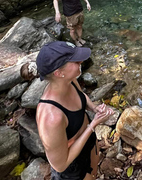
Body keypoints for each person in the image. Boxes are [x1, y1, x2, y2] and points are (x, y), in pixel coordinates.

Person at [32, 41, 114, 180]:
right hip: (72, 167)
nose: (81, 61)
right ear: (59, 73)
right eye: (75, 61)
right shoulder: (51, 117)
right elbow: (60, 165)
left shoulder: (70, 81)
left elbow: (81, 96)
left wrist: (94, 108)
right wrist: (93, 125)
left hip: (88, 143)